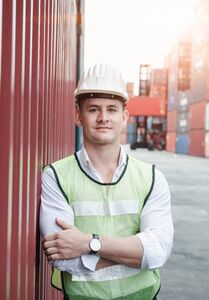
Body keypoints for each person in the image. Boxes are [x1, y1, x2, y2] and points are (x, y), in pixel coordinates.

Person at [39, 64, 174, 299]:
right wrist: (134, 254)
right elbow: (63, 258)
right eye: (93, 109)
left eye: (112, 109)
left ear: (124, 117)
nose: (103, 118)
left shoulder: (151, 178)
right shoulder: (56, 176)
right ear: (78, 116)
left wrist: (89, 244)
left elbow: (157, 252)